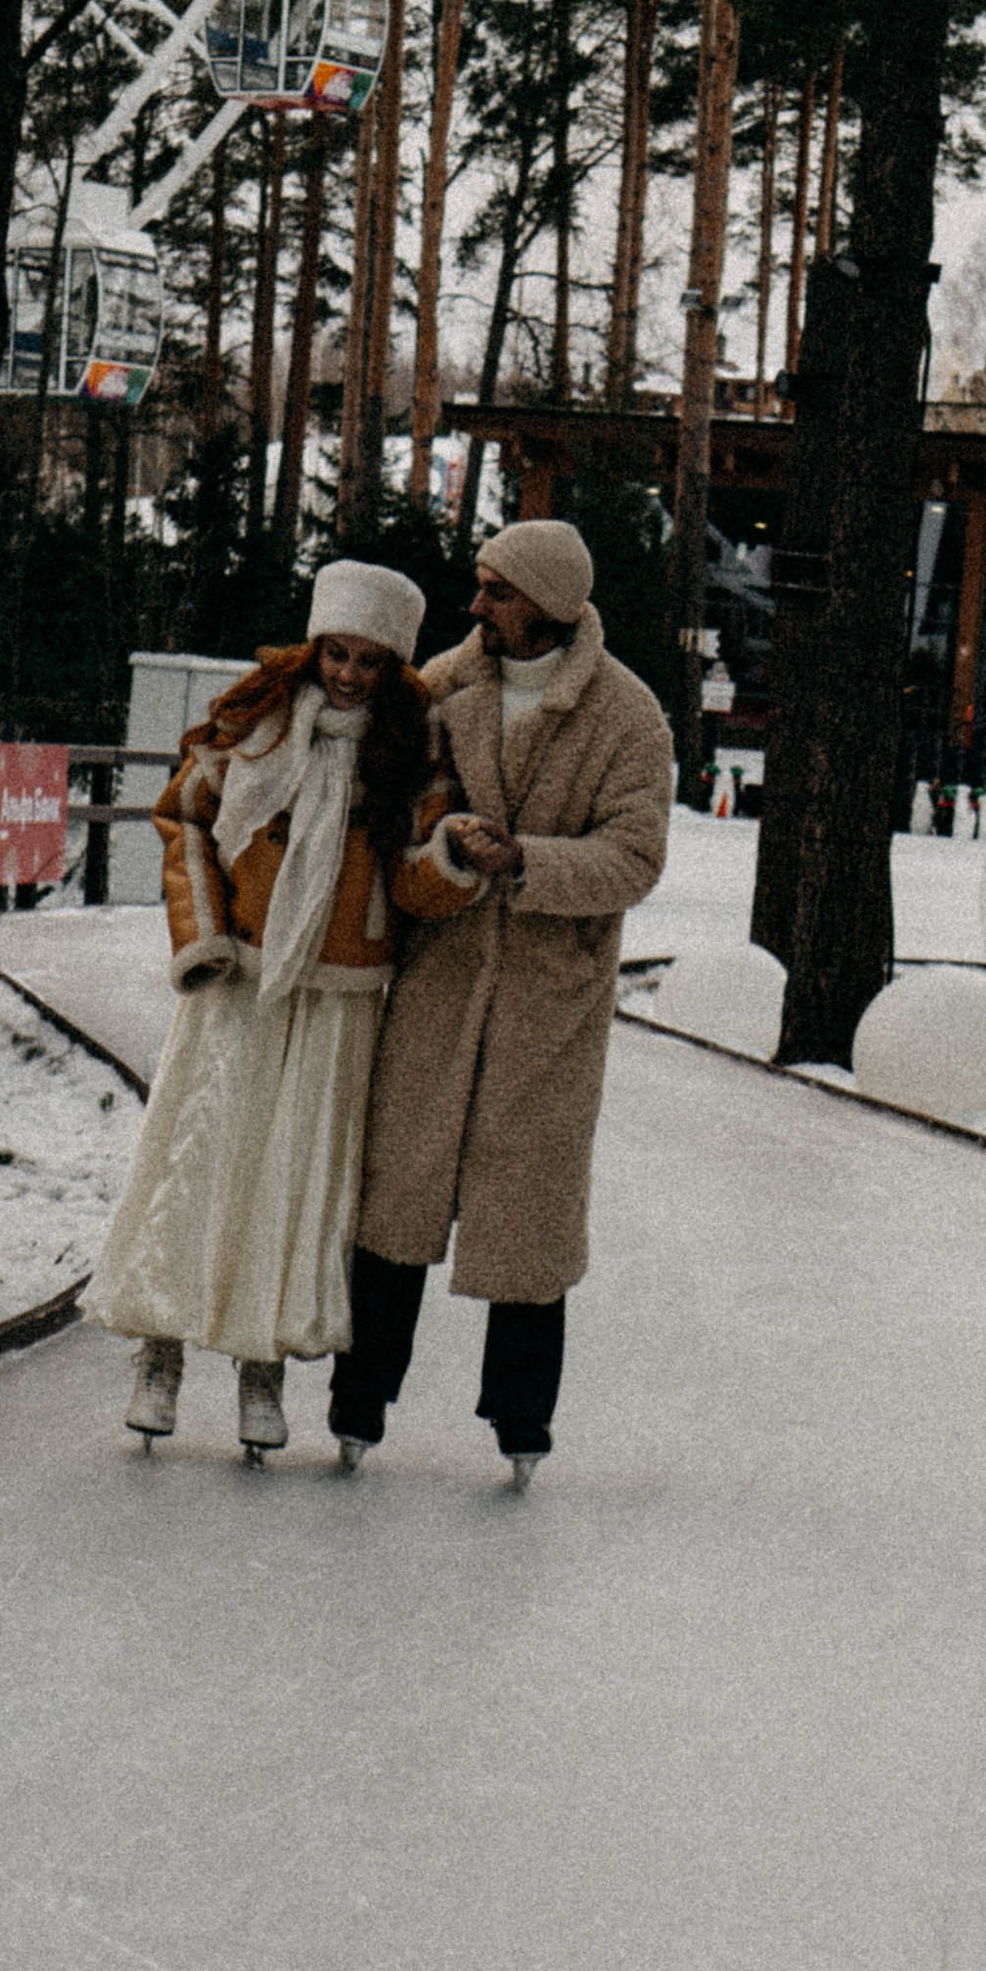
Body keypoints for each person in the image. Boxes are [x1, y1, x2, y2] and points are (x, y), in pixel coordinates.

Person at [84, 561, 477, 1457]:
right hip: (241, 978)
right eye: (336, 652)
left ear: (395, 669)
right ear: (314, 646)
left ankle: (260, 1369)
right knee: (202, 1156)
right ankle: (160, 1352)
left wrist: (453, 856)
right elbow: (183, 817)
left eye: (369, 662)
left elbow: (415, 884)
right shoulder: (251, 723)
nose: (346, 674)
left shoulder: (412, 755)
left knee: (297, 1182)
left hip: (342, 994)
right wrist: (203, 934)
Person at [333, 516, 672, 1488]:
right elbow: (382, 801)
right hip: (436, 992)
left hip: (546, 1007)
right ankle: (359, 1400)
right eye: (478, 586)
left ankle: (520, 1420)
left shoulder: (626, 717)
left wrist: (526, 860)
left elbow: (635, 855)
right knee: (394, 1202)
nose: (476, 605)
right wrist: (438, 848)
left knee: (528, 1219)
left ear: (550, 606)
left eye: (497, 591)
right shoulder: (444, 688)